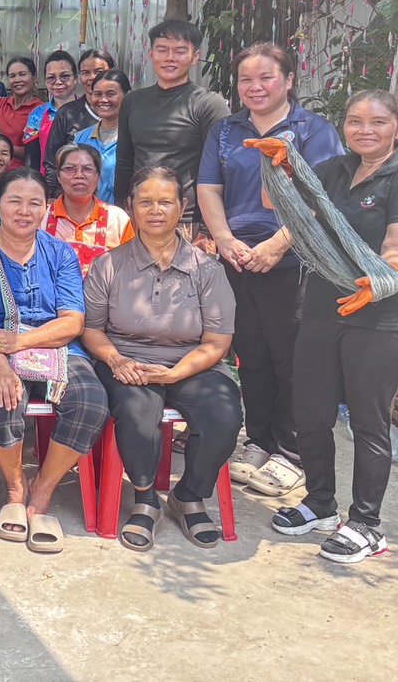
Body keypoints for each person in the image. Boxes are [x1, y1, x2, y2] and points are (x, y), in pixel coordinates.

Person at [260, 91, 398, 563]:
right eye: (355, 121)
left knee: (367, 422)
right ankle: (320, 503)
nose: (365, 130)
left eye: (377, 122)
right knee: (310, 412)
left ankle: (366, 523)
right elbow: (288, 206)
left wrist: (381, 283)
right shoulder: (335, 170)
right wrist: (281, 166)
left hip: (382, 318)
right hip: (324, 308)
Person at [197, 43, 343, 494]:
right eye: (246, 79)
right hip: (237, 257)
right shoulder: (225, 130)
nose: (254, 87)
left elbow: (324, 197)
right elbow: (208, 188)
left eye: (266, 78)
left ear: (290, 80)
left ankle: (291, 450)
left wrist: (280, 244)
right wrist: (225, 241)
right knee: (251, 354)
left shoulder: (314, 131)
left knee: (291, 357)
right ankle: (258, 440)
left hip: (294, 258)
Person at [82, 165, 241, 551]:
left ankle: (189, 493)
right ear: (131, 207)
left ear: (182, 207)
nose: (156, 210)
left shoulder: (207, 269)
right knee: (137, 414)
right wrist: (115, 360)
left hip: (193, 361)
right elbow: (91, 330)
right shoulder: (109, 265)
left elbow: (218, 341)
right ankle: (146, 497)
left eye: (166, 202)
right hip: (128, 360)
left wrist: (176, 373)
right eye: (146, 201)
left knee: (224, 415)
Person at [0, 168, 108, 555]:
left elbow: (73, 321)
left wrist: (19, 342)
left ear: (46, 208)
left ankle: (41, 492)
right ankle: (14, 487)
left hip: (53, 345)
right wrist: (2, 365)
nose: (24, 211)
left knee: (90, 399)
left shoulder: (60, 252)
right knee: (0, 396)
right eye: (14, 201)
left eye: (34, 203)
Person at [113, 20, 230, 226]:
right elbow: (124, 163)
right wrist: (123, 214)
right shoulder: (132, 101)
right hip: (141, 217)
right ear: (151, 54)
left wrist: (207, 228)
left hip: (187, 220)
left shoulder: (208, 103)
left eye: (180, 51)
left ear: (195, 57)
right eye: (162, 50)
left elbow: (222, 169)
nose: (169, 58)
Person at [44, 142, 134, 275]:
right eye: (70, 168)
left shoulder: (117, 219)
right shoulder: (42, 216)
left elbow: (130, 269)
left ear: (98, 177)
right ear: (58, 176)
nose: (79, 175)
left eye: (87, 169)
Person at [41, 50, 114, 188]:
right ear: (79, 77)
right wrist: (52, 196)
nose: (92, 77)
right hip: (76, 194)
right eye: (86, 73)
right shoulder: (67, 113)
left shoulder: (126, 111)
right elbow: (51, 162)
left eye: (99, 71)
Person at [73, 69, 130, 204]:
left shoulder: (136, 137)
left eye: (111, 94)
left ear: (127, 96)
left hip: (124, 218)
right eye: (97, 94)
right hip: (87, 218)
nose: (103, 100)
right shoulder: (81, 138)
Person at [21, 51, 80, 178]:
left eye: (64, 76)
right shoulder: (37, 115)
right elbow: (32, 159)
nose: (58, 82)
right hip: (47, 185)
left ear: (75, 79)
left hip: (82, 181)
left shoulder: (88, 111)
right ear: (46, 82)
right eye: (51, 77)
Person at [0, 58, 41, 166]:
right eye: (12, 76)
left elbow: (37, 153)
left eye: (22, 74)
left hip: (21, 177)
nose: (17, 80)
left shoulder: (40, 111)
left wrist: (3, 146)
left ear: (34, 77)